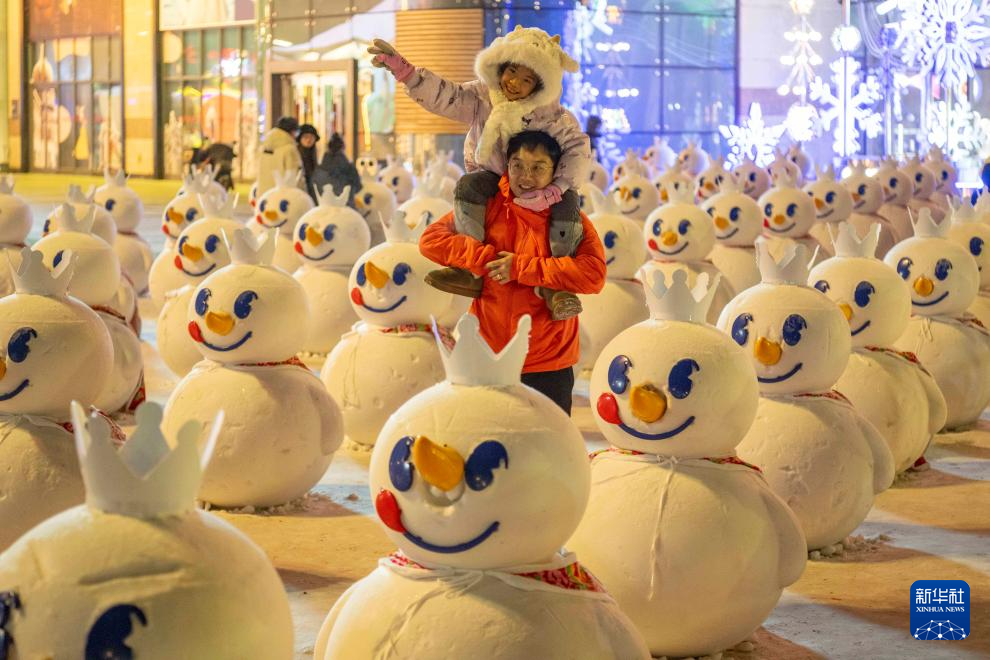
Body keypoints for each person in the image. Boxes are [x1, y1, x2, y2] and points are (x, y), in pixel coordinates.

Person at [370, 27, 591, 320]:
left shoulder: (553, 115)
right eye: (512, 71)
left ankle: (557, 286)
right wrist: (403, 70)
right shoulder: (482, 98)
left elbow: (577, 149)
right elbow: (444, 96)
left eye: (527, 80)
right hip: (491, 178)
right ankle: (469, 269)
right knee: (469, 186)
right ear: (500, 65)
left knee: (568, 203)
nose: (515, 83)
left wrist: (557, 187)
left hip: (540, 189)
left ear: (539, 86)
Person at [420, 131, 606, 415]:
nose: (526, 176)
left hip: (548, 360)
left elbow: (593, 274)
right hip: (488, 352)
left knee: (546, 447)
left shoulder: (569, 219)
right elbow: (431, 240)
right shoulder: (489, 208)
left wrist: (521, 267)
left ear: (555, 170)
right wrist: (486, 258)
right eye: (517, 165)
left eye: (538, 167)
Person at [312, 133, 362, 208]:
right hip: (346, 209)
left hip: (323, 211)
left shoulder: (319, 170)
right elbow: (358, 187)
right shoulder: (349, 168)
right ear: (343, 147)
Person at [257, 116, 302, 197]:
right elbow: (293, 177)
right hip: (283, 200)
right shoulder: (289, 149)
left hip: (264, 197)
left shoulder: (265, 147)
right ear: (292, 131)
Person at [297, 124, 320, 202]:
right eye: (306, 137)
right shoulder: (296, 154)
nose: (309, 140)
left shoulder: (313, 154)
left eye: (311, 137)